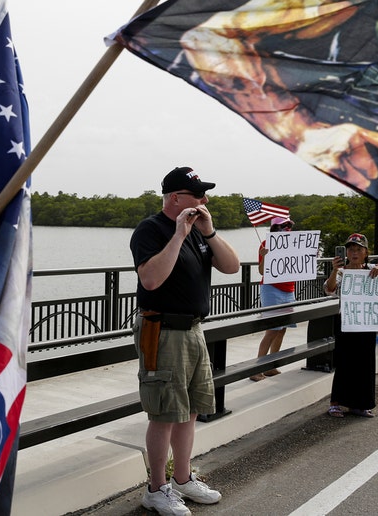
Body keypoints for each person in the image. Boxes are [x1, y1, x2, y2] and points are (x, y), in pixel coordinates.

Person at [130, 166, 240, 516]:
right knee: (164, 412)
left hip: (193, 329)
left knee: (190, 410)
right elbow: (150, 280)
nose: (205, 200)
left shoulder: (198, 231)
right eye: (198, 195)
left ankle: (182, 478)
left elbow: (232, 266)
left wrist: (208, 232)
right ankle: (157, 488)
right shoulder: (150, 230)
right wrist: (178, 235)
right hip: (161, 330)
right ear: (175, 198)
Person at [323, 233, 378, 418]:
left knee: (365, 362)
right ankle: (336, 403)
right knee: (344, 362)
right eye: (351, 249)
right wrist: (334, 270)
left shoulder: (372, 268)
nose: (354, 253)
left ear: (366, 253)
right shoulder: (342, 271)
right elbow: (329, 289)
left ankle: (361, 404)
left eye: (358, 250)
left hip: (367, 321)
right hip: (346, 322)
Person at [250, 215, 297, 381]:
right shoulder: (266, 244)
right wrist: (264, 256)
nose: (287, 229)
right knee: (272, 329)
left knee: (282, 329)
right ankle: (257, 369)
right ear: (275, 229)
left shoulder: (293, 244)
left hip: (289, 289)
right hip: (271, 289)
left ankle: (271, 366)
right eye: (283, 226)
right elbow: (262, 272)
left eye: (288, 226)